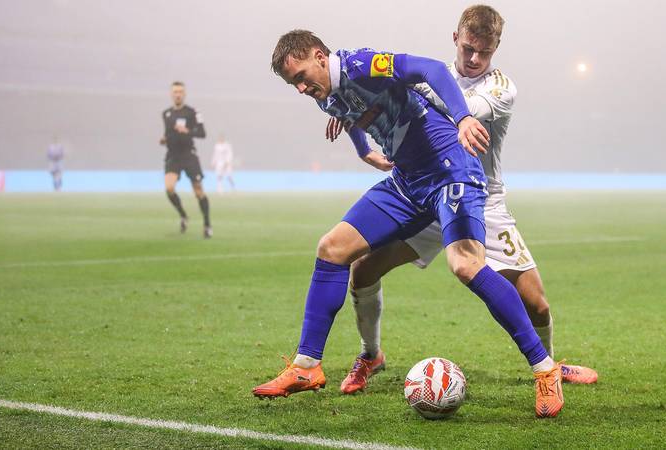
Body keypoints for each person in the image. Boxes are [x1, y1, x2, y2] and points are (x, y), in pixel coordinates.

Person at [252, 30, 564, 418]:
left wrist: (463, 117)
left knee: (465, 265)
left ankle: (545, 369)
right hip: (409, 180)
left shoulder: (359, 65)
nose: (300, 88)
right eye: (292, 84)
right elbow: (352, 113)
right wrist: (365, 150)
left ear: (319, 56)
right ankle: (306, 366)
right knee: (332, 248)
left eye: (300, 76)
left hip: (451, 170)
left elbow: (430, 69)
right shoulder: (324, 93)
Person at [325, 5, 598, 396]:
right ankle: (371, 355)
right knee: (363, 270)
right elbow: (389, 95)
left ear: (496, 48)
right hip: (429, 195)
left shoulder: (500, 88)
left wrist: (370, 104)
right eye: (468, 48)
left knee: (536, 303)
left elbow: (459, 110)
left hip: (480, 201)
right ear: (456, 38)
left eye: (484, 52)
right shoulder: (434, 73)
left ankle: (550, 366)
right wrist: (353, 103)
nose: (474, 59)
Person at [159, 81, 212, 238]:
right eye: (175, 92)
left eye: (180, 92)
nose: (178, 94)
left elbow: (202, 133)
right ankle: (183, 215)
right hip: (173, 155)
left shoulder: (192, 112)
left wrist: (187, 130)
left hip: (189, 155)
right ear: (171, 94)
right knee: (169, 188)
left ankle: (207, 224)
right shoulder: (166, 114)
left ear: (184, 94)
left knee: (198, 190)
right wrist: (164, 139)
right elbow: (168, 134)